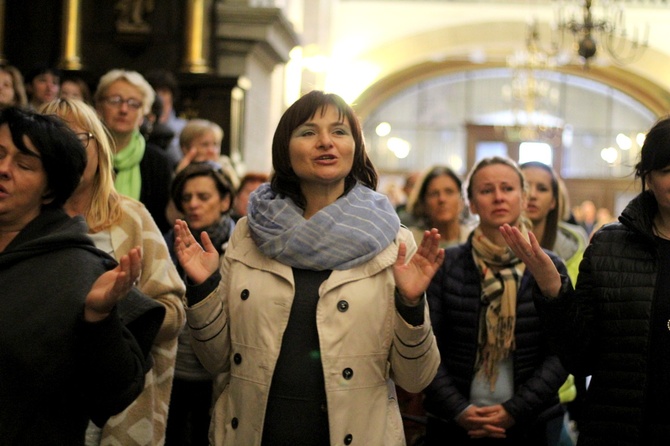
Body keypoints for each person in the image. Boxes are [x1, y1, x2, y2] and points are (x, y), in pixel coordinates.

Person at [173, 90, 444, 445]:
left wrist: (411, 306)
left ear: (355, 147)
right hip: (255, 432)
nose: (325, 143)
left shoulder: (393, 241)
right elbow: (216, 359)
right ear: (285, 148)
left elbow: (416, 378)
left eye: (339, 131)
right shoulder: (249, 233)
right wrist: (204, 288)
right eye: (308, 132)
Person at [500, 116, 670, 445]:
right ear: (647, 176)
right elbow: (582, 357)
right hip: (622, 427)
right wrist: (554, 289)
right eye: (668, 170)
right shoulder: (610, 245)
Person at [39, 98, 186, 446]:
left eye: (75, 139)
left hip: (118, 411)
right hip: (42, 407)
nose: (64, 151)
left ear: (99, 148)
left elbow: (175, 312)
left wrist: (116, 307)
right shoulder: (21, 221)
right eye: (50, 142)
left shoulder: (130, 218)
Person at [0, 106, 148, 443]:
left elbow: (113, 393)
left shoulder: (78, 270)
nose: (3, 170)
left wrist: (98, 316)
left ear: (50, 190)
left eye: (24, 164)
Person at [424, 156, 568, 446]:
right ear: (472, 204)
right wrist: (459, 410)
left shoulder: (547, 265)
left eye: (508, 188)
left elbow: (563, 351)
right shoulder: (447, 264)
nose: (499, 197)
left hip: (531, 422)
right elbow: (427, 347)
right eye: (487, 190)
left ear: (523, 197)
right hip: (455, 422)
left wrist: (514, 411)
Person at [164, 162, 235, 446]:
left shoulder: (242, 246)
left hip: (220, 374)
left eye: (203, 197)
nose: (193, 204)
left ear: (225, 200)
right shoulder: (166, 245)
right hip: (174, 371)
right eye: (186, 198)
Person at [520, 161, 588, 444]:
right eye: (525, 187)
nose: (532, 195)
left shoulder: (574, 245)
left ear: (554, 201)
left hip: (559, 377)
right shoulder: (491, 243)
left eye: (542, 188)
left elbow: (577, 313)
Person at [94, 69, 174, 233]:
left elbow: (160, 224)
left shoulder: (158, 162)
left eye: (133, 104)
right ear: (99, 107)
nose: (123, 109)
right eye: (115, 100)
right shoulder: (87, 154)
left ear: (143, 114)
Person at [408, 165, 475, 249]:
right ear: (423, 203)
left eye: (449, 192)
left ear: (462, 199)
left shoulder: (475, 240)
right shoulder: (410, 242)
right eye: (434, 194)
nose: (442, 199)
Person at [145, 69, 187, 166]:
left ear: (172, 96)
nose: (158, 97)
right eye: (154, 91)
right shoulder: (139, 124)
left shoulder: (183, 127)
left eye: (164, 92)